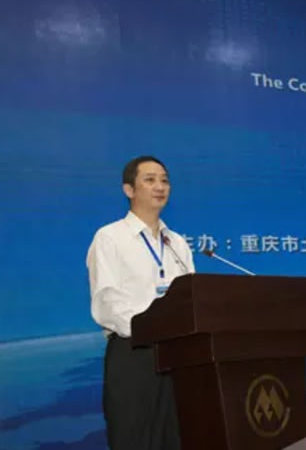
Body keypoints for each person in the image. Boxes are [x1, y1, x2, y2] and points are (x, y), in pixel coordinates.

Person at [86, 155, 195, 450]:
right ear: (129, 190)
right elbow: (107, 302)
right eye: (150, 180)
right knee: (134, 440)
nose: (160, 186)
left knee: (178, 438)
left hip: (179, 356)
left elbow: (192, 298)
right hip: (134, 353)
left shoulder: (177, 243)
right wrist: (152, 326)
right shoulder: (110, 238)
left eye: (165, 180)